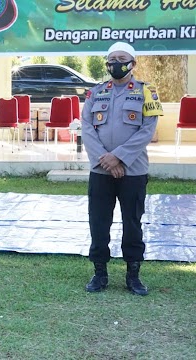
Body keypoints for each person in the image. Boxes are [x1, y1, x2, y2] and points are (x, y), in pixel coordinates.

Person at [82, 42, 163, 296]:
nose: (116, 63)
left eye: (122, 58)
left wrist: (119, 158)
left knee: (132, 223)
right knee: (98, 222)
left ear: (133, 63)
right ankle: (100, 273)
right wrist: (104, 160)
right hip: (100, 171)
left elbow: (147, 130)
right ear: (106, 63)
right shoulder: (95, 92)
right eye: (112, 58)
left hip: (134, 170)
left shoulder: (147, 91)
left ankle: (133, 275)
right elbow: (87, 128)